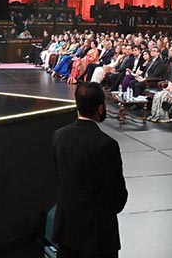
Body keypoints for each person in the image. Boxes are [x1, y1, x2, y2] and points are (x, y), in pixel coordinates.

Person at [53, 82, 127, 258]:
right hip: (96, 235)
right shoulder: (106, 144)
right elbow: (117, 196)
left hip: (66, 228)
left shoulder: (59, 136)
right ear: (101, 108)